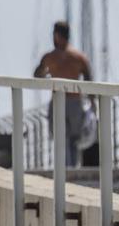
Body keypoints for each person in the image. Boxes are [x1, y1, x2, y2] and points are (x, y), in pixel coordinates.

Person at [33, 21, 93, 167]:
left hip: (59, 102)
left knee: (61, 138)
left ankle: (65, 169)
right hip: (75, 102)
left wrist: (49, 73)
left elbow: (37, 75)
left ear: (57, 35)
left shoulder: (50, 57)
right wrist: (93, 105)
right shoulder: (80, 57)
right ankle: (72, 167)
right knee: (73, 139)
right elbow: (89, 81)